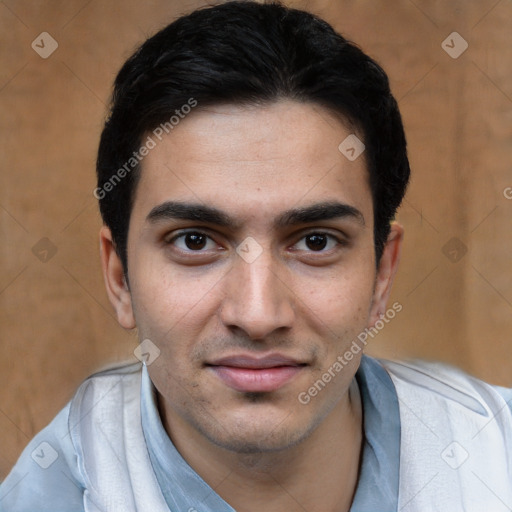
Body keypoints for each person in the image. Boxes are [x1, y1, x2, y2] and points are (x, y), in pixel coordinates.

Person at [1, 1, 511, 511]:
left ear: (382, 274)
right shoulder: (57, 492)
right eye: (195, 241)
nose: (258, 314)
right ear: (119, 278)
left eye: (315, 241)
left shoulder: (495, 460)